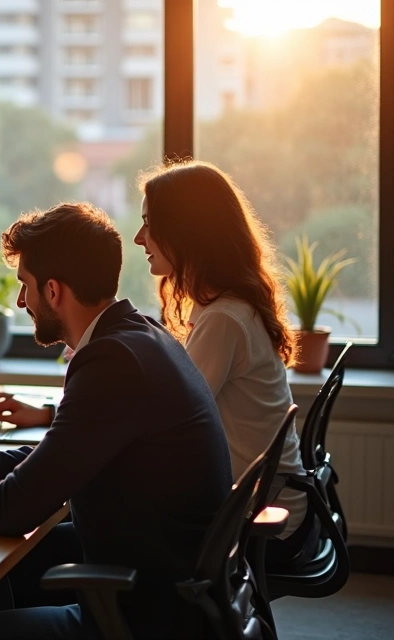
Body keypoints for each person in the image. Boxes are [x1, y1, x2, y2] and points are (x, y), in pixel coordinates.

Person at [0, 203, 232, 639]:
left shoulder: (113, 361)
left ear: (55, 291)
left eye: (25, 287)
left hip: (145, 614)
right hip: (167, 582)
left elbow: (15, 507)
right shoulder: (140, 334)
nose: (21, 301)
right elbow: (57, 456)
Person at [134, 160, 314, 568]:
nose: (139, 237)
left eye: (149, 224)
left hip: (262, 519)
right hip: (268, 503)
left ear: (185, 231)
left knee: (108, 520)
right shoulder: (227, 306)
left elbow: (166, 419)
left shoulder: (223, 319)